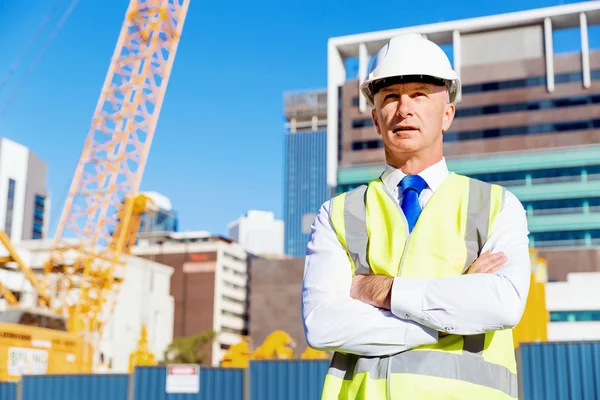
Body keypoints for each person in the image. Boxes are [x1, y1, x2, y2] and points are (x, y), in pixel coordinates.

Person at [301, 33, 531, 400]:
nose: (404, 108)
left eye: (420, 93)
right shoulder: (338, 214)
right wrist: (448, 319)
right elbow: (323, 325)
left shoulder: (497, 206)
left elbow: (501, 303)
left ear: (447, 114)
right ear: (376, 120)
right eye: (390, 97)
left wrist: (380, 290)